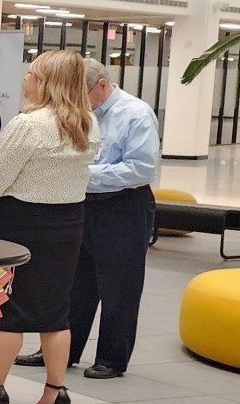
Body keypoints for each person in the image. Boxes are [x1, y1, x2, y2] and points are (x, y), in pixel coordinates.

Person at [0, 50, 96, 404]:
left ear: (46, 82)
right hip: (70, 222)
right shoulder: (88, 123)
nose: (25, 79)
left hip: (21, 224)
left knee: (10, 312)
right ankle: (55, 391)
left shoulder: (27, 124)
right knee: (56, 312)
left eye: (32, 74)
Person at [15, 58, 158, 379]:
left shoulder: (136, 114)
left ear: (102, 85)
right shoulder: (80, 114)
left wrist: (83, 173)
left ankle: (111, 358)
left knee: (119, 286)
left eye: (82, 92)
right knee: (73, 283)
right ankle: (62, 351)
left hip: (122, 206)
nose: (76, 99)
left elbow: (141, 168)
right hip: (81, 203)